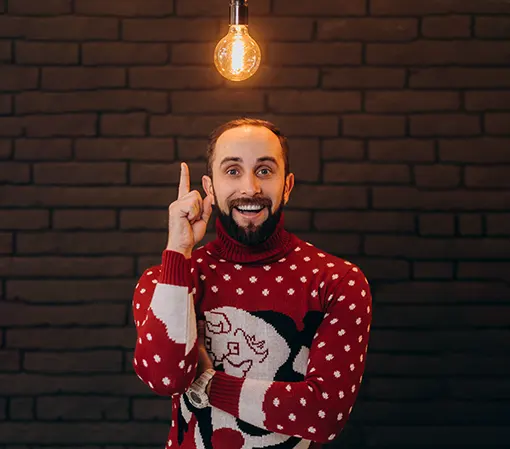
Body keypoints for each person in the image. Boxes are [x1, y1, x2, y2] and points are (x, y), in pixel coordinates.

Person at [132, 118, 372, 449]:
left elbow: (325, 415)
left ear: (287, 185)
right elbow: (165, 377)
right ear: (210, 187)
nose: (250, 188)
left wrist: (206, 382)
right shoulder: (164, 280)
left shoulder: (336, 281)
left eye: (264, 171)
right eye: (232, 171)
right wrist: (178, 249)